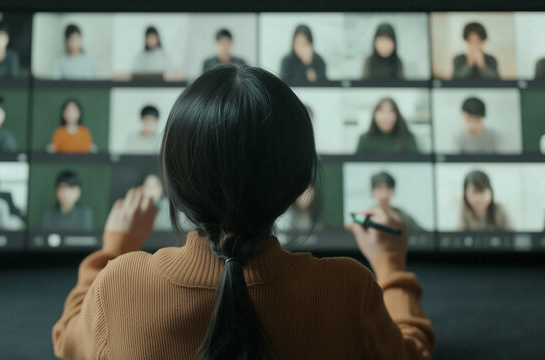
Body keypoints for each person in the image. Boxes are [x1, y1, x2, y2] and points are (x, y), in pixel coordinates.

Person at [52, 64, 434, 359]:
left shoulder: (120, 284)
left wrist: (111, 250)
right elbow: (409, 352)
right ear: (301, 181)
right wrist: (390, 266)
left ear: (173, 174)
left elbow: (69, 342)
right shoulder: (347, 289)